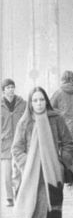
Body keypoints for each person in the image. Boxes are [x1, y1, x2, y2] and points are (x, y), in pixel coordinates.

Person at [12, 87, 73, 218]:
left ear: (46, 101)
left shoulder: (56, 119)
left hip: (52, 173)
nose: (38, 103)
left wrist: (61, 164)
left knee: (50, 206)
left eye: (41, 100)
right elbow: (16, 148)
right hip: (32, 175)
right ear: (30, 103)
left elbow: (69, 143)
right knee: (33, 206)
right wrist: (27, 164)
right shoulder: (24, 122)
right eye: (35, 100)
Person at [51, 71, 73, 184]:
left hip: (64, 128)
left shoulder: (58, 93)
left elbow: (50, 108)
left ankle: (67, 175)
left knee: (65, 152)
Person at [1, 78, 26, 206]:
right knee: (7, 173)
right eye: (8, 87)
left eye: (12, 87)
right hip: (4, 143)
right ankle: (9, 197)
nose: (10, 89)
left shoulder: (22, 103)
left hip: (19, 142)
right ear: (3, 90)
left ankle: (19, 194)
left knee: (19, 170)